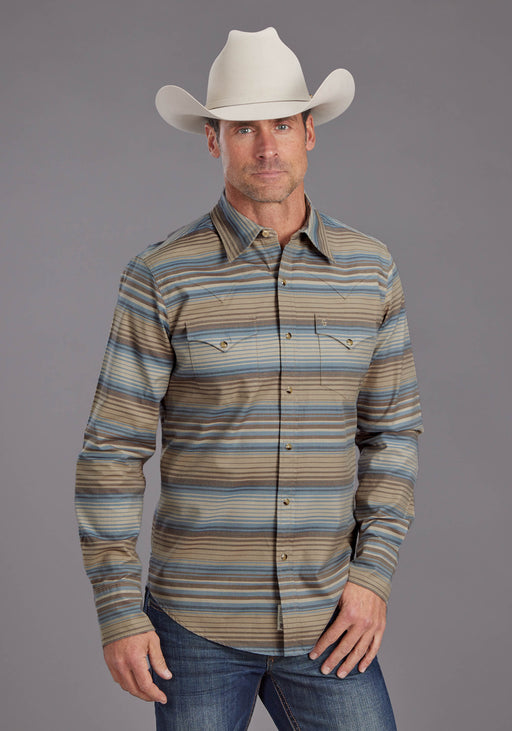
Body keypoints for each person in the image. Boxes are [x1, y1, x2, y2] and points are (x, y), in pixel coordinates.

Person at [76, 27, 423, 730]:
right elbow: (112, 449)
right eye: (244, 129)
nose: (267, 147)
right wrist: (118, 609)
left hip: (330, 619)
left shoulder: (371, 270)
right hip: (194, 624)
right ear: (213, 140)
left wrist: (372, 576)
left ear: (309, 132)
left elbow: (392, 436)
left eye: (283, 125)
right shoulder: (160, 275)